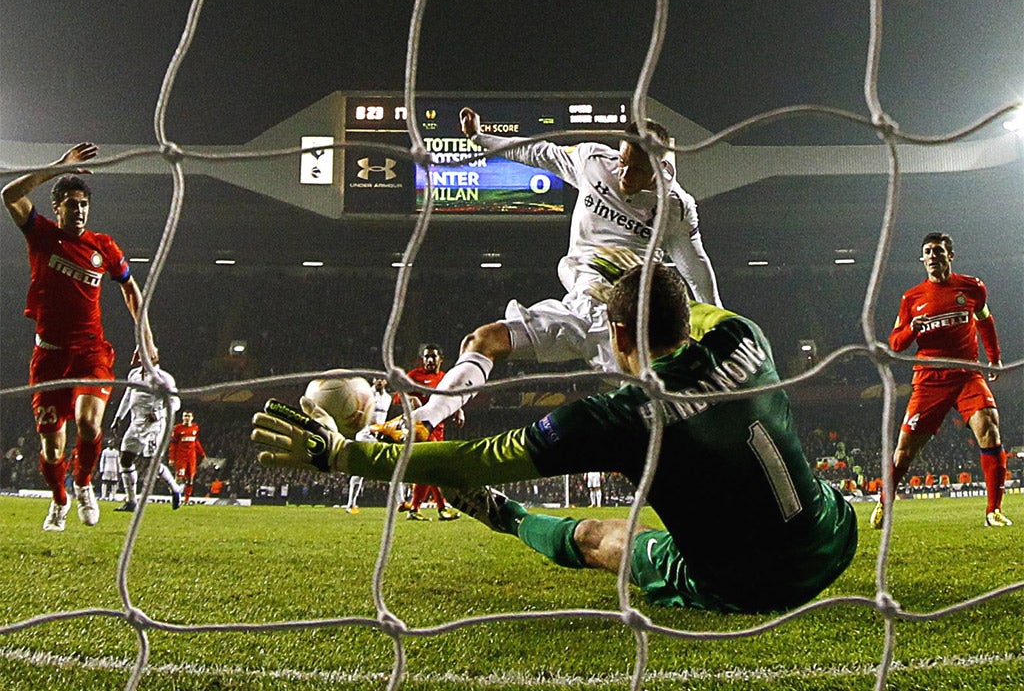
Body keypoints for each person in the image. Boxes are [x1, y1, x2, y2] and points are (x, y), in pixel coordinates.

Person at [253, 258, 857, 614]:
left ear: (618, 335)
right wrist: (642, 283)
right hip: (836, 535)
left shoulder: (621, 414)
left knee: (600, 537)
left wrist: (339, 454)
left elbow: (472, 458)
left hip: (751, 586)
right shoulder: (744, 333)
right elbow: (695, 310)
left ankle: (509, 518)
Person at [376, 110, 721, 444]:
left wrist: (721, 323)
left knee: (664, 411)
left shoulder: (675, 206)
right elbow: (539, 152)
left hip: (625, 325)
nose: (625, 173)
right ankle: (423, 421)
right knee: (482, 340)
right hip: (577, 308)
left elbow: (695, 265)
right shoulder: (593, 162)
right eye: (624, 159)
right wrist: (481, 138)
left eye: (638, 168)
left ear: (660, 165)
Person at [2, 142, 157, 532]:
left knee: (89, 424)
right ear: (57, 207)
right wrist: (57, 167)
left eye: (84, 204)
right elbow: (9, 194)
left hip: (92, 352)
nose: (79, 210)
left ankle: (85, 484)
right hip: (50, 357)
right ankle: (59, 500)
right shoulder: (41, 235)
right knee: (52, 448)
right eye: (71, 203)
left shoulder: (102, 246)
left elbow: (130, 288)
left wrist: (146, 338)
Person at [874, 232, 1010, 529]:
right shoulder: (912, 298)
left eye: (938, 250)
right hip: (929, 380)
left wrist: (995, 357)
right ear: (922, 259)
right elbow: (896, 344)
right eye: (927, 251)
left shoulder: (972, 287)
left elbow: (985, 320)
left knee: (990, 429)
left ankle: (993, 511)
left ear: (950, 255)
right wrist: (911, 328)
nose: (932, 256)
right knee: (906, 451)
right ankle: (885, 502)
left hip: (966, 374)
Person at [395, 345, 461, 521]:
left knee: (428, 471)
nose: (429, 360)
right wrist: (409, 398)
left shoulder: (444, 378)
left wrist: (458, 410)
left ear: (441, 359)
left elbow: (452, 399)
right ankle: (441, 507)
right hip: (420, 429)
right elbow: (397, 396)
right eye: (426, 357)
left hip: (439, 428)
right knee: (435, 466)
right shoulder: (415, 376)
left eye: (433, 357)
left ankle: (415, 508)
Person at [110, 361, 184, 512]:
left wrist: (158, 414)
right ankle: (131, 501)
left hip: (154, 427)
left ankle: (175, 489)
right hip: (135, 423)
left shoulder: (163, 377)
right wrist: (118, 418)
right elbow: (127, 396)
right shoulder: (134, 374)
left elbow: (175, 402)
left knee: (153, 464)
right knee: (125, 459)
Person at [346, 378, 393, 514]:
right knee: (359, 471)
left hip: (378, 437)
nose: (379, 381)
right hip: (364, 435)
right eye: (377, 379)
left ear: (386, 381)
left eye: (382, 379)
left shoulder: (388, 398)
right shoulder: (365, 394)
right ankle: (351, 504)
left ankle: (399, 502)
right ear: (373, 380)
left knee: (390, 467)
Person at [169, 410, 205, 505]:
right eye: (185, 416)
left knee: (190, 479)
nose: (186, 418)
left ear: (192, 418)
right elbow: (173, 444)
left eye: (188, 416)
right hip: (181, 457)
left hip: (191, 458)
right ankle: (176, 499)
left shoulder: (195, 428)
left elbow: (195, 442)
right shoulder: (177, 428)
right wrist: (171, 458)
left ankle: (186, 500)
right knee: (179, 478)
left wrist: (202, 453)